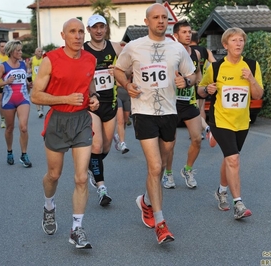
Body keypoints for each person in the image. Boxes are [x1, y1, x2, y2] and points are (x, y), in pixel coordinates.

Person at [114, 3, 196, 244]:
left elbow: (193, 74)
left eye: (164, 17)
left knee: (162, 162)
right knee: (155, 165)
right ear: (147, 21)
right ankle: (160, 223)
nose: (161, 21)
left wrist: (187, 82)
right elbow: (118, 70)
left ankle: (146, 202)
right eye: (156, 17)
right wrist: (126, 85)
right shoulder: (133, 47)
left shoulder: (177, 48)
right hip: (144, 111)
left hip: (169, 112)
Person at [30, 18, 99, 249]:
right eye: (73, 32)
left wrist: (94, 98)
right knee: (54, 175)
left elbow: (89, 84)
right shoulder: (50, 60)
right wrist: (65, 98)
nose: (78, 36)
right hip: (57, 119)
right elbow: (36, 96)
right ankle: (49, 205)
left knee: (81, 177)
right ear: (63, 36)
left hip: (81, 120)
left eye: (81, 31)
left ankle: (76, 229)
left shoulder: (91, 59)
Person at [198, 27, 264, 219]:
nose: (238, 44)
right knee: (234, 159)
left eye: (241, 40)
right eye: (234, 40)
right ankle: (239, 204)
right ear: (226, 45)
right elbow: (201, 89)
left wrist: (251, 79)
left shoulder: (251, 66)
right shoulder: (216, 67)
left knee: (230, 158)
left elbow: (258, 95)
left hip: (242, 121)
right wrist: (208, 89)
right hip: (221, 119)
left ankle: (221, 190)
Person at [83, 14, 123, 206]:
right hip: (91, 104)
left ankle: (92, 164)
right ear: (89, 30)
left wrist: (119, 70)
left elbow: (128, 71)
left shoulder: (115, 47)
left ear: (106, 28)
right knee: (97, 145)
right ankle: (102, 188)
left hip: (111, 102)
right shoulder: (83, 50)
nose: (98, 30)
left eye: (102, 27)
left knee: (106, 147)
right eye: (94, 27)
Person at [162, 20, 203, 189]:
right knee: (170, 143)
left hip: (188, 102)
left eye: (189, 32)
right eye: (184, 32)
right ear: (175, 35)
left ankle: (188, 169)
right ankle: (168, 173)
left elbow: (198, 75)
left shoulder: (196, 54)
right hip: (171, 103)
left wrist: (201, 87)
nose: (188, 35)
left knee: (197, 139)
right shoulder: (168, 53)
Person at [0, 40, 32, 168]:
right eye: (18, 50)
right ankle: (9, 151)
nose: (20, 52)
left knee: (23, 127)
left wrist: (29, 84)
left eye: (21, 50)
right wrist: (6, 82)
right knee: (9, 128)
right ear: (11, 51)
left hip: (23, 99)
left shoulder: (23, 64)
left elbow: (24, 80)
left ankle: (24, 154)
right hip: (8, 100)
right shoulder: (2, 66)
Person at [190, 30, 216, 139]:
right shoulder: (206, 51)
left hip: (190, 83)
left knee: (192, 109)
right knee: (201, 109)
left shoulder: (185, 51)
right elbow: (215, 64)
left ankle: (205, 129)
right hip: (203, 82)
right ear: (199, 40)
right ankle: (199, 132)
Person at [27, 47, 44, 118]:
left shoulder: (44, 59)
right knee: (36, 94)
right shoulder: (32, 59)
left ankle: (41, 108)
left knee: (42, 95)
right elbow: (28, 65)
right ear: (36, 52)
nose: (41, 53)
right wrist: (29, 69)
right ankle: (39, 110)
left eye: (41, 51)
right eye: (39, 51)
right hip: (35, 79)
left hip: (43, 79)